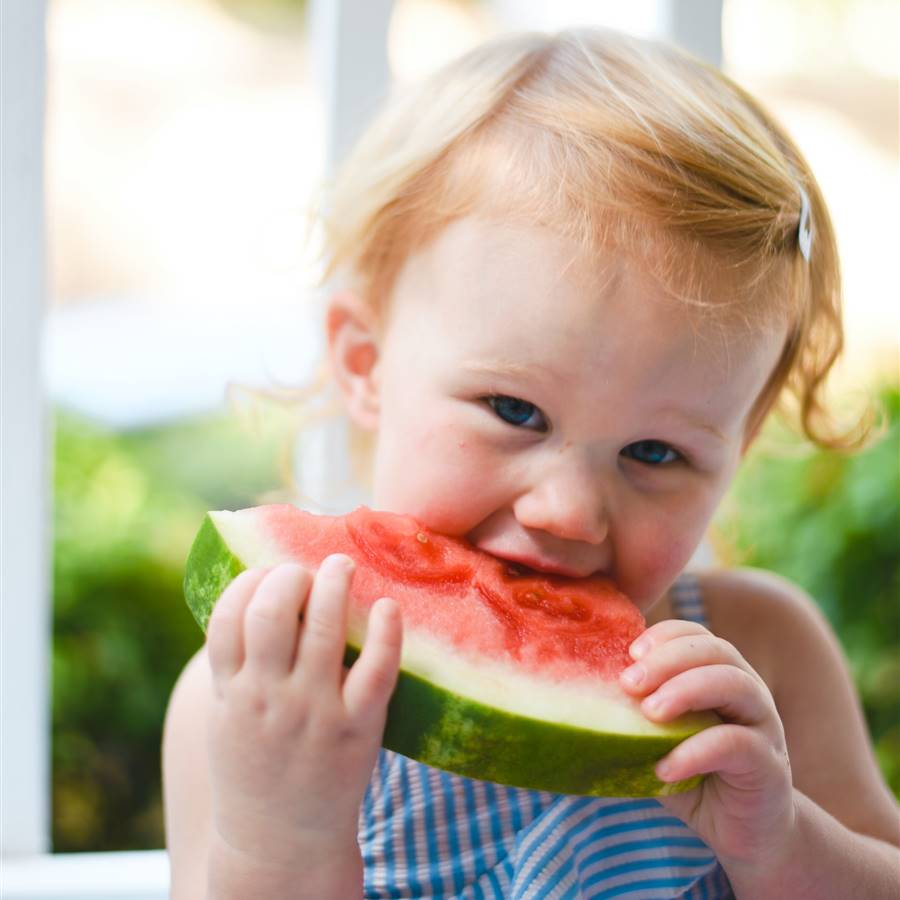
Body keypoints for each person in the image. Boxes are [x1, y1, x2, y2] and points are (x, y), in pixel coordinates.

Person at [162, 28, 899, 899]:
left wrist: (783, 844)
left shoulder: (765, 652)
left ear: (735, 448)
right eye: (516, 412)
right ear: (366, 365)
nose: (570, 511)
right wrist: (282, 839)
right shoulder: (250, 694)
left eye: (654, 453)